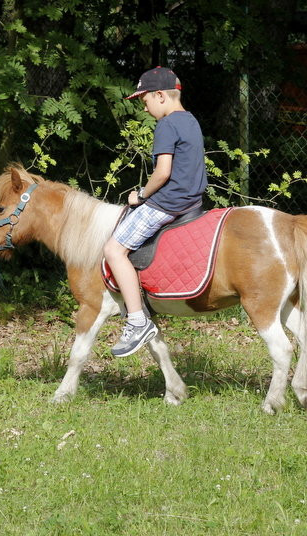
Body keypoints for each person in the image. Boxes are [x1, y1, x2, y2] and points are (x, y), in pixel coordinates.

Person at [103, 66, 207, 357]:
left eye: (145, 99)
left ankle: (137, 321)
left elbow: (162, 172)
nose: (144, 106)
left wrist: (141, 195)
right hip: (192, 201)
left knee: (114, 249)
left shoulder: (166, 125)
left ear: (160, 95)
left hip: (169, 202)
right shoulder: (191, 120)